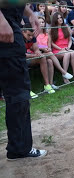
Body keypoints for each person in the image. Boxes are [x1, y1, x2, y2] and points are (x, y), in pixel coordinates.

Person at [0, 4, 47, 160]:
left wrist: (30, 14)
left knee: (18, 92)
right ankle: (19, 148)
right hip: (6, 27)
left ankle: (18, 147)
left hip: (9, 22)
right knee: (18, 92)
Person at [22, 23, 56, 94]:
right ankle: (28, 90)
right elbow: (21, 55)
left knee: (42, 58)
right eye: (29, 35)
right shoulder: (19, 38)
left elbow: (36, 48)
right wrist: (34, 55)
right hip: (19, 59)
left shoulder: (32, 37)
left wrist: (38, 52)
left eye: (32, 35)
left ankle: (47, 85)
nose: (31, 37)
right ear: (23, 32)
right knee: (22, 63)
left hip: (28, 57)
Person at [49, 12, 74, 84]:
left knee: (73, 53)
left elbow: (70, 40)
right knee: (67, 54)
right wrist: (60, 49)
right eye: (58, 18)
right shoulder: (52, 29)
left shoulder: (66, 27)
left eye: (61, 17)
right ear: (55, 20)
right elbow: (51, 43)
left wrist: (68, 47)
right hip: (57, 50)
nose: (60, 19)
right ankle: (64, 75)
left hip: (66, 48)